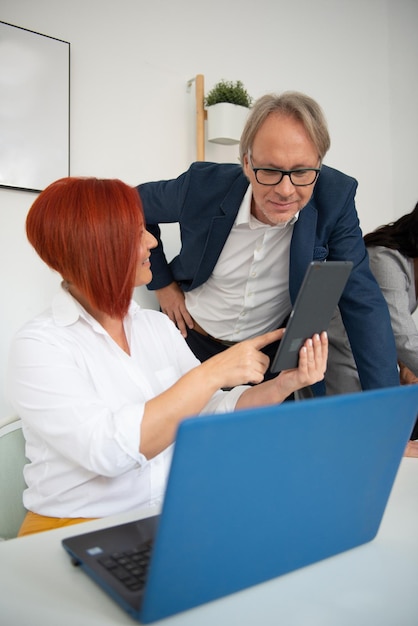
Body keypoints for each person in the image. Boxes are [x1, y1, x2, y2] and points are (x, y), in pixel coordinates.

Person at [7, 177, 328, 537]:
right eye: (136, 232)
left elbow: (209, 412)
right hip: (70, 530)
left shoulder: (154, 327)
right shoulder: (40, 346)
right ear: (96, 247)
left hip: (164, 520)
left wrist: (283, 385)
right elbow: (108, 452)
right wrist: (212, 373)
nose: (152, 241)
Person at [137, 91, 399, 395]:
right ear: (247, 163)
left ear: (318, 166)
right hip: (189, 342)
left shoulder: (335, 197)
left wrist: (388, 412)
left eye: (301, 172)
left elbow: (363, 303)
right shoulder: (202, 185)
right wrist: (162, 284)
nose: (286, 191)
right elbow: (131, 206)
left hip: (265, 360)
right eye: (271, 171)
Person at [326, 202, 418, 448]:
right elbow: (402, 336)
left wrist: (405, 364)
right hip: (345, 361)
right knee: (354, 446)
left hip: (372, 365)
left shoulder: (411, 265)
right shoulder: (385, 259)